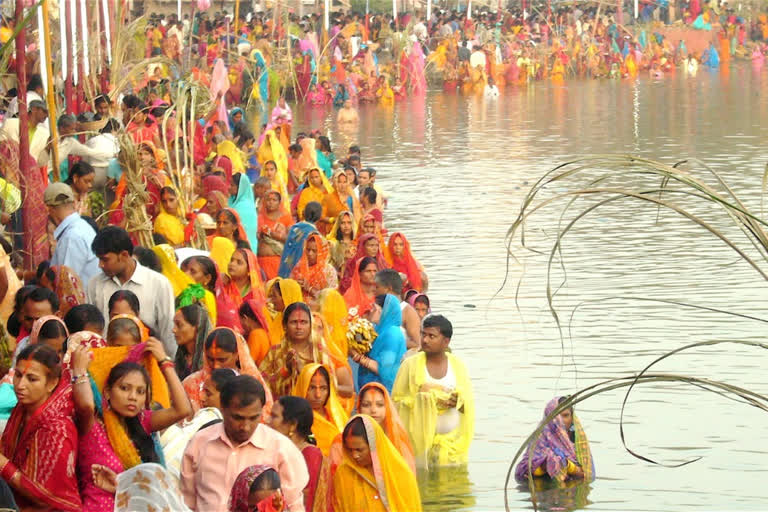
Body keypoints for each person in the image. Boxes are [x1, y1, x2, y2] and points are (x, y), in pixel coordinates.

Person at [70, 337, 193, 511]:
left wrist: (164, 361)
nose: (133, 397)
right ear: (107, 393)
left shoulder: (143, 422)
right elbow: (85, 405)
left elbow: (182, 410)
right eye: (124, 388)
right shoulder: (93, 426)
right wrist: (80, 371)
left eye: (140, 391)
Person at [181, 375, 309, 512]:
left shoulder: (282, 450)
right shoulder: (200, 443)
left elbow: (294, 505)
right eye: (238, 418)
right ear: (222, 409)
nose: (245, 427)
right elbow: (185, 503)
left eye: (254, 418)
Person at [0, 345, 82, 511]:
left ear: (52, 383)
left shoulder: (56, 429)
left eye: (32, 379)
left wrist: (2, 464)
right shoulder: (22, 409)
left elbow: (47, 497)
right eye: (18, 375)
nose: (20, 385)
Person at [392, 314, 474, 468]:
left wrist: (457, 402)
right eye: (423, 334)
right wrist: (421, 399)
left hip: (452, 449)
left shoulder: (458, 366)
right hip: (418, 448)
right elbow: (395, 404)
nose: (425, 340)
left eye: (432, 336)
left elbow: (468, 405)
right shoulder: (409, 366)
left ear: (446, 341)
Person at [87, 226, 176, 356]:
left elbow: (167, 330)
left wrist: (167, 364)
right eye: (99, 259)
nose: (100, 265)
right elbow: (91, 331)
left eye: (105, 259)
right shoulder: (95, 284)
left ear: (124, 255)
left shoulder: (158, 284)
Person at [331, 415, 422, 512]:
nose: (355, 455)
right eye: (350, 450)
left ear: (374, 446)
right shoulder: (343, 473)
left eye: (359, 450)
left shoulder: (401, 474)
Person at [182, 327, 272, 413]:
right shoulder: (191, 384)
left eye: (222, 360)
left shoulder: (253, 387)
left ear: (237, 355)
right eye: (210, 359)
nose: (216, 366)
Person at [268, 396, 332, 512]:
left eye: (274, 416)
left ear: (292, 425)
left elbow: (308, 503)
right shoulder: (275, 450)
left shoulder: (310, 456)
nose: (268, 421)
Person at [260, 302, 338, 397]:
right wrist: (286, 370)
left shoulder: (319, 352)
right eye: (294, 322)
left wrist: (303, 373)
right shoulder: (275, 352)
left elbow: (330, 386)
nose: (299, 327)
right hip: (284, 408)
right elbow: (262, 386)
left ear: (310, 325)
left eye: (303, 322)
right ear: (285, 326)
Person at [514, 397, 595, 483]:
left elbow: (587, 474)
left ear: (572, 418)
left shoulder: (577, 439)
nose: (561, 420)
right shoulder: (539, 438)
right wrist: (544, 465)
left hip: (570, 488)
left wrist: (567, 465)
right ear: (549, 416)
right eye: (557, 415)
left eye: (566, 415)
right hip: (543, 489)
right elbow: (522, 471)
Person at [45, 182, 100, 287]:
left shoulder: (71, 237)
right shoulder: (81, 227)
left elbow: (67, 284)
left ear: (50, 210)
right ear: (73, 203)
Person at [350, 294, 406, 393]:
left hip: (384, 391)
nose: (371, 310)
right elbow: (363, 344)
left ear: (384, 311)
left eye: (374, 308)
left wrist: (359, 358)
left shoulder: (392, 334)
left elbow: (384, 369)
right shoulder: (378, 329)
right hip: (370, 387)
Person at [356, 382, 415, 472]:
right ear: (359, 408)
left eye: (380, 405)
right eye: (366, 405)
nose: (373, 410)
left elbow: (407, 475)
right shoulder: (351, 437)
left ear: (387, 407)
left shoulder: (397, 439)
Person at [292, 363, 349, 456]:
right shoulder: (294, 420)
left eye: (323, 388)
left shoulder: (338, 416)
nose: (318, 395)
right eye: (312, 388)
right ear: (303, 387)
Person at [375, 269, 421, 350]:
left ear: (388, 289)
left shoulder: (407, 311)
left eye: (377, 287)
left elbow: (417, 344)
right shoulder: (376, 308)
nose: (374, 290)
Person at [290, 233, 338, 300]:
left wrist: (309, 288)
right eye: (308, 250)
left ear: (322, 252)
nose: (310, 254)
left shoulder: (328, 270)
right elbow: (289, 291)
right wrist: (295, 285)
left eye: (314, 251)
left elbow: (331, 297)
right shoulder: (298, 267)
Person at [173, 303, 213, 381]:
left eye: (179, 325)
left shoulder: (210, 361)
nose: (173, 330)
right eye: (174, 324)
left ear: (197, 327)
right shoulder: (181, 359)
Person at [265, 277, 303, 346]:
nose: (271, 300)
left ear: (286, 297)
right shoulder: (279, 319)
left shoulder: (300, 324)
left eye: (274, 296)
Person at [238, 299, 272, 365]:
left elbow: (247, 364)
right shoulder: (264, 332)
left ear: (245, 318)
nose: (242, 326)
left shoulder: (255, 334)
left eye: (241, 320)